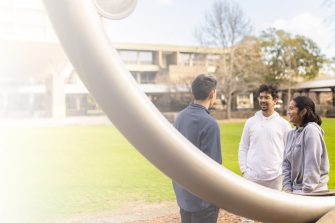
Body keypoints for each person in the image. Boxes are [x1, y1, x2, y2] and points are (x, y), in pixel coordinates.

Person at [172, 74, 222, 223]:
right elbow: (213, 165)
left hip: (183, 195)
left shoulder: (180, 117)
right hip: (204, 200)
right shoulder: (210, 123)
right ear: (212, 93)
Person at [238, 84, 291, 190]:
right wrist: (244, 171)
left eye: (267, 97)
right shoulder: (250, 122)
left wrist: (282, 173)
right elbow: (243, 147)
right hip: (252, 178)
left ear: (275, 100)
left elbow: (289, 152)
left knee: (273, 207)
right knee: (250, 207)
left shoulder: (284, 124)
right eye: (261, 97)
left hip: (275, 179)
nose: (263, 100)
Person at [283, 96, 329, 194]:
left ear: (303, 111)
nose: (288, 112)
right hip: (295, 191)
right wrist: (287, 188)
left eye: (291, 108)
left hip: (312, 191)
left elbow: (311, 163)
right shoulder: (291, 134)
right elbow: (286, 163)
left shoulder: (311, 130)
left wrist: (306, 191)